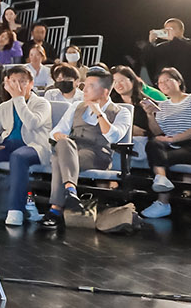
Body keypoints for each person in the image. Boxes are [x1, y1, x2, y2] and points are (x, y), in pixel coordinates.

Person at [38, 68, 133, 231]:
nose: (84, 89)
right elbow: (56, 131)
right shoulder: (76, 106)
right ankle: (70, 190)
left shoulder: (121, 112)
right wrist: (59, 135)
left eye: (90, 85)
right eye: (85, 85)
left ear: (105, 91)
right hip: (71, 149)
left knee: (58, 160)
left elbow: (113, 137)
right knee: (63, 145)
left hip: (97, 155)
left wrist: (98, 111)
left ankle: (56, 210)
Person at [138, 66, 191, 220]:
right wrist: (150, 115)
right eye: (160, 83)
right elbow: (157, 132)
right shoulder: (162, 105)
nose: (163, 84)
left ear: (178, 81)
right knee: (153, 143)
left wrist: (173, 139)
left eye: (167, 80)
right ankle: (161, 179)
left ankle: (162, 201)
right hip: (169, 143)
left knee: (159, 158)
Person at [0, 64, 53, 226]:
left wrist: (18, 99)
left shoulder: (42, 103)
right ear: (7, 83)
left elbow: (31, 123)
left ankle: (15, 210)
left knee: (18, 157)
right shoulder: (4, 106)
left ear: (31, 84)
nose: (18, 85)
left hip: (35, 146)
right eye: (13, 81)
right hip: (9, 144)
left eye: (22, 81)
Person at [141, 17, 191, 92]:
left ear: (181, 30)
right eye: (166, 29)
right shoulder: (160, 47)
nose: (169, 31)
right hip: (165, 88)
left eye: (172, 29)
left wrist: (175, 40)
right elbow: (147, 60)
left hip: (187, 85)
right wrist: (151, 43)